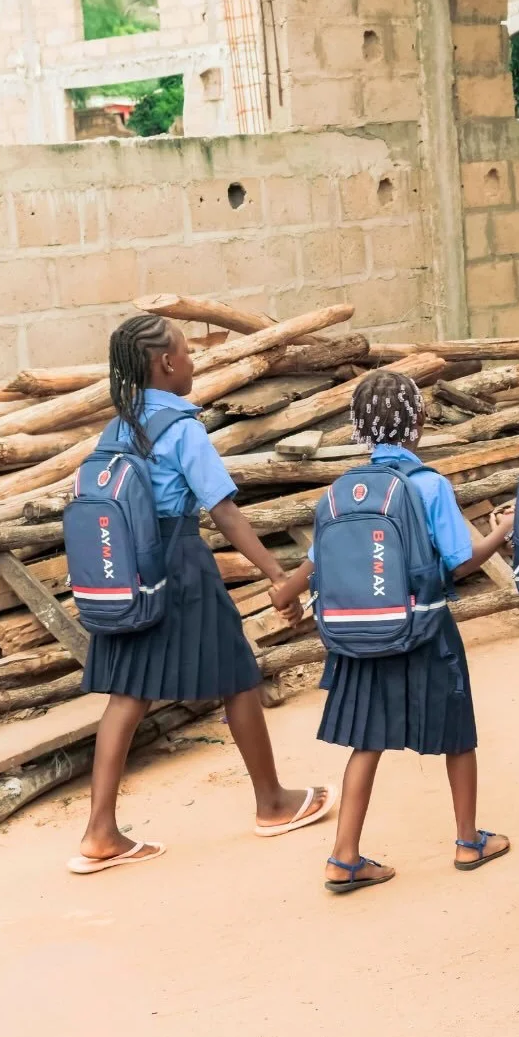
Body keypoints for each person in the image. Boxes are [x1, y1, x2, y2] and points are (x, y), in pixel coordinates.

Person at [68, 314, 335, 874]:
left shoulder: (118, 427)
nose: (193, 360)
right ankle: (272, 803)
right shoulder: (181, 426)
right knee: (238, 676)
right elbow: (224, 511)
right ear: (167, 363)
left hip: (127, 571)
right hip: (180, 562)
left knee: (127, 693)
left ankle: (99, 832)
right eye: (188, 352)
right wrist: (276, 575)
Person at [271, 370, 515, 895]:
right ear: (419, 422)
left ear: (358, 427)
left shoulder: (341, 492)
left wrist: (287, 592)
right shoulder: (428, 485)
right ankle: (468, 840)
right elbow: (461, 563)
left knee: (366, 741)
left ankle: (343, 857)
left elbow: (318, 561)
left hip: (360, 638)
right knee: (457, 734)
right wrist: (502, 531)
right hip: (425, 631)